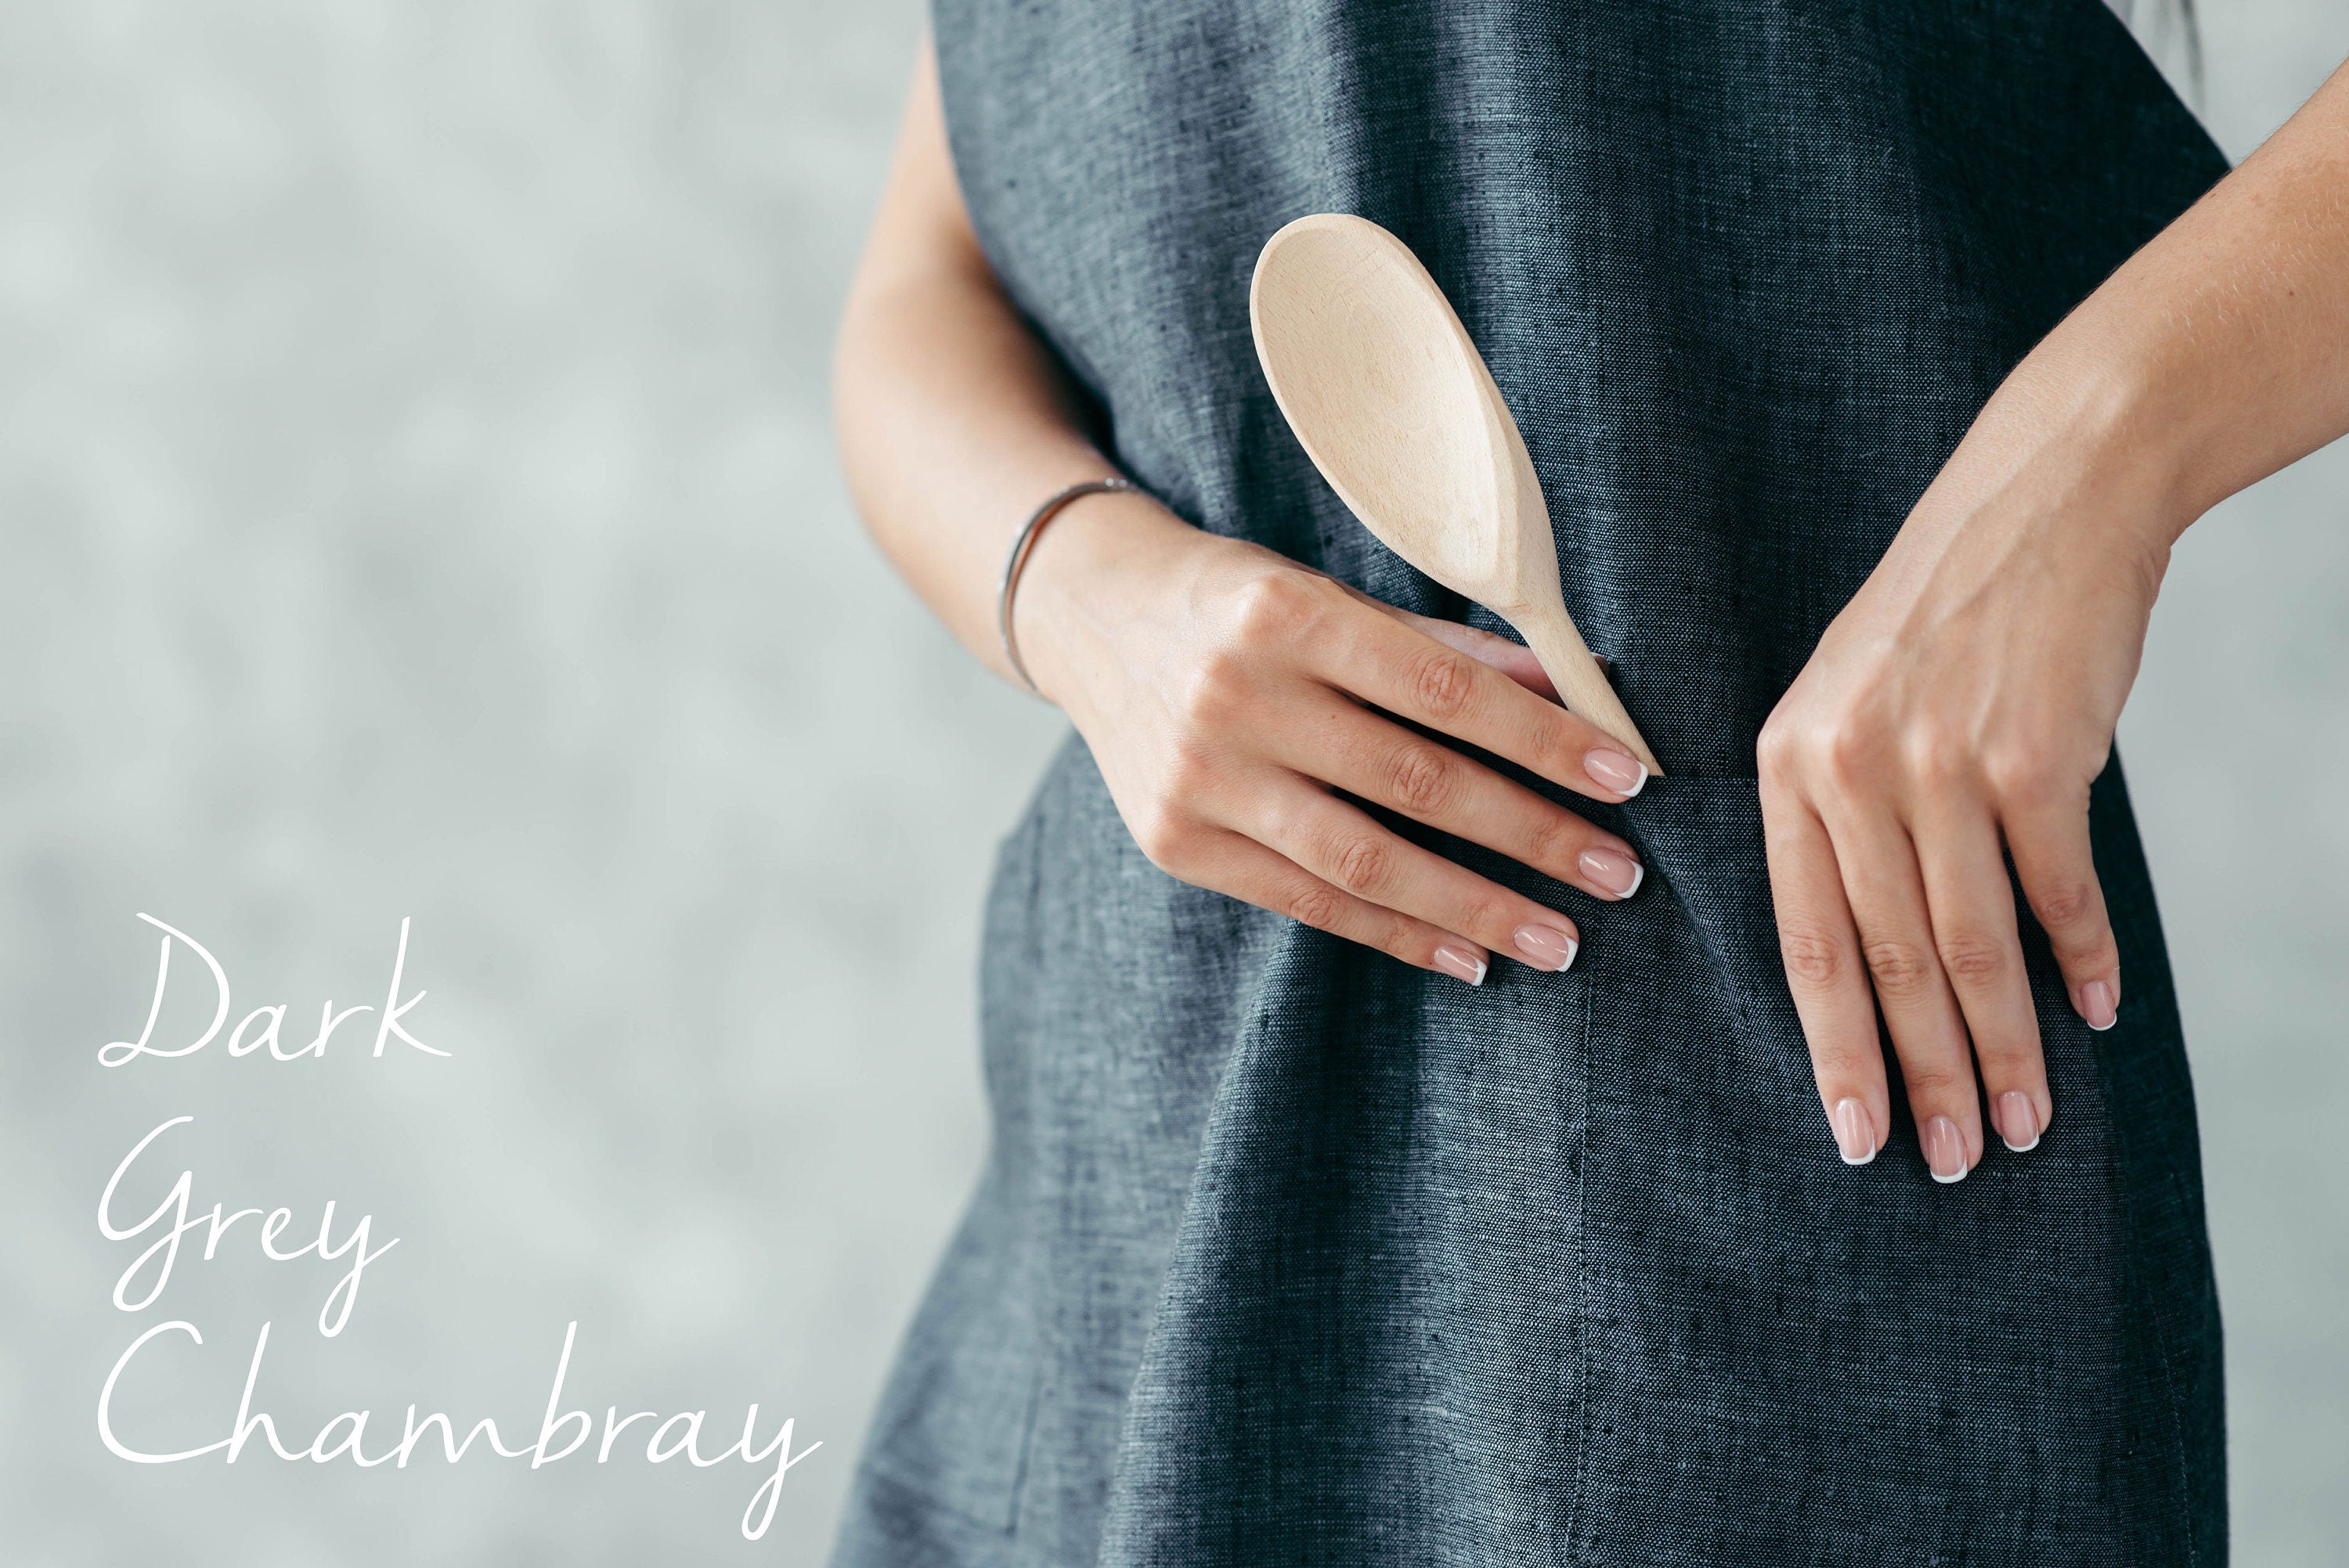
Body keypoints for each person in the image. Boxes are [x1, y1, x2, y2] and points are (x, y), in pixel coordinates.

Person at [830, 2, 2348, 1561]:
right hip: (1126, 1191)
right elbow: (924, 282)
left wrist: (2093, 461)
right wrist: (1077, 587)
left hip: (1790, 1193)